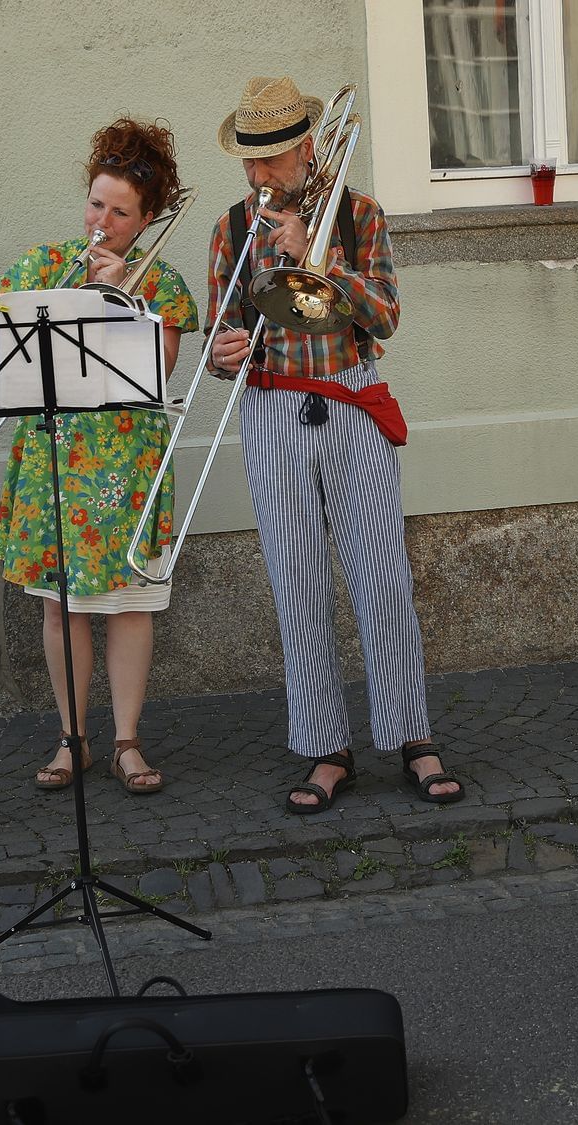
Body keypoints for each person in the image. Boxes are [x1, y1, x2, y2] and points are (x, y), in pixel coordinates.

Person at [205, 77, 462, 813]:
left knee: (383, 578)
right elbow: (217, 339)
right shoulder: (229, 228)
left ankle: (412, 735)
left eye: (271, 161)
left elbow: (385, 315)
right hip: (273, 409)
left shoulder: (361, 216)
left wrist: (319, 265)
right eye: (249, 162)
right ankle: (326, 747)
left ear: (308, 148)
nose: (258, 176)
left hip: (352, 402)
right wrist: (220, 354)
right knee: (297, 585)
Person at [0, 117, 199, 796]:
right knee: (61, 607)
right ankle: (72, 736)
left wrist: (128, 299)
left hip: (128, 461)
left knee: (128, 604)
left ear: (144, 221)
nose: (102, 220)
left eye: (120, 211)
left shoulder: (160, 284)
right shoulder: (40, 266)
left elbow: (163, 371)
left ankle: (128, 741)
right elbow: (3, 353)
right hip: (56, 454)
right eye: (96, 202)